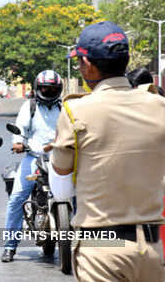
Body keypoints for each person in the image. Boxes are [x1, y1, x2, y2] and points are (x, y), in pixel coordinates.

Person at [49, 21, 165, 281]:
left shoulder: (75, 110)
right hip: (152, 246)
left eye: (79, 63)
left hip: (101, 246)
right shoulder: (160, 106)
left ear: (88, 65)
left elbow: (61, 184)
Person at [1, 70, 63, 262]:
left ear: (58, 89)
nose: (48, 91)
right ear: (38, 88)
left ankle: (77, 242)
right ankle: (10, 246)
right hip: (33, 157)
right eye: (45, 87)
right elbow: (20, 129)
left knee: (76, 195)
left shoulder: (64, 108)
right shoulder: (30, 107)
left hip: (60, 158)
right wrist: (18, 143)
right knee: (17, 198)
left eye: (52, 88)